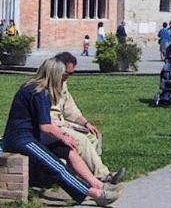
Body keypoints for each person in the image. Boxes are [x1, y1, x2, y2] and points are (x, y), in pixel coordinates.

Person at [1, 58, 121, 207]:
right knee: (56, 166)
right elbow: (46, 126)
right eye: (62, 75)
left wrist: (65, 140)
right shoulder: (38, 92)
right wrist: (64, 137)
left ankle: (98, 184)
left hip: (34, 136)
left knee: (69, 152)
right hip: (21, 139)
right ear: (54, 75)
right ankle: (94, 194)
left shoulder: (37, 89)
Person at [52, 52, 125, 184]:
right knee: (82, 141)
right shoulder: (47, 85)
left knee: (93, 135)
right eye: (67, 73)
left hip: (62, 123)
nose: (68, 77)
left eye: (71, 73)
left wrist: (86, 123)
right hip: (52, 127)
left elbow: (71, 109)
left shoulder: (63, 84)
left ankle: (87, 174)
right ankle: (103, 175)